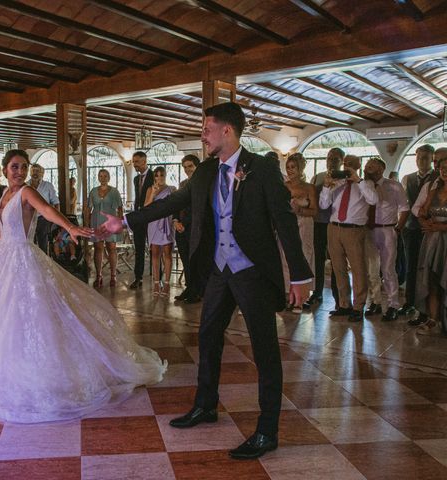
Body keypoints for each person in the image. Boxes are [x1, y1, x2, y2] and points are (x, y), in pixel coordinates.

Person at [100, 102, 311, 460]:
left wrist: (301, 274)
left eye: (207, 129)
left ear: (227, 131)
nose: (202, 135)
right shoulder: (205, 173)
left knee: (265, 349)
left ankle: (267, 430)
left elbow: (284, 221)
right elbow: (172, 203)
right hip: (218, 270)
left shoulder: (261, 169)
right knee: (208, 336)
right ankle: (206, 405)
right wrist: (127, 222)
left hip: (251, 272)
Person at [0, 149, 166, 423]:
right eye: (15, 167)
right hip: (3, 260)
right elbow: (2, 229)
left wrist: (70, 227)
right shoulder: (3, 195)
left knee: (33, 317)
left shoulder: (26, 192)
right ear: (4, 168)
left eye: (24, 167)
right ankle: (9, 373)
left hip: (23, 257)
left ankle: (44, 375)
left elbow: (47, 210)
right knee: (4, 319)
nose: (20, 171)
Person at [320, 154, 378, 322]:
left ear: (358, 166)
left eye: (351, 164)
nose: (347, 167)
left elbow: (373, 200)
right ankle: (344, 304)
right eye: (345, 163)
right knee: (338, 268)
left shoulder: (366, 184)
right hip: (334, 228)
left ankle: (358, 306)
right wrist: (326, 186)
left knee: (358, 269)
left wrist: (357, 180)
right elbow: (324, 205)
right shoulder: (337, 183)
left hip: (354, 230)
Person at [362, 157, 409, 321]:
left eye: (372, 166)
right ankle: (375, 301)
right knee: (371, 270)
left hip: (387, 230)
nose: (367, 169)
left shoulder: (394, 186)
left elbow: (404, 208)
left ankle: (393, 305)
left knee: (388, 269)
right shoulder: (364, 185)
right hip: (369, 230)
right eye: (367, 166)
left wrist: (398, 228)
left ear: (381, 169)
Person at [400, 144, 436, 317]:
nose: (421, 160)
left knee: (427, 267)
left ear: (431, 159)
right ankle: (409, 302)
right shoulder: (407, 178)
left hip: (430, 229)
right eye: (419, 157)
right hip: (411, 228)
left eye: (425, 157)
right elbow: (403, 204)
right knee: (410, 266)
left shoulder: (437, 178)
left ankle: (427, 307)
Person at [304, 148, 343, 310]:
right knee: (318, 259)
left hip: (335, 224)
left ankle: (338, 295)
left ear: (341, 161)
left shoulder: (344, 179)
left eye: (335, 158)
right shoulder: (318, 177)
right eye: (329, 158)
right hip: (319, 223)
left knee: (336, 260)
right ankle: (317, 291)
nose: (331, 161)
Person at [415, 155, 447, 332]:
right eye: (442, 168)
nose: (445, 171)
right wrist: (424, 222)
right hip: (433, 241)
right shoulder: (433, 191)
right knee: (433, 279)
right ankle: (433, 319)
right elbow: (422, 212)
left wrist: (441, 226)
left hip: (445, 237)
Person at [283, 153, 317, 312]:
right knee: (285, 257)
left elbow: (315, 211)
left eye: (293, 168)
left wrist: (300, 210)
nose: (290, 171)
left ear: (300, 169)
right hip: (287, 224)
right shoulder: (283, 185)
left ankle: (301, 298)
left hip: (304, 224)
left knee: (304, 255)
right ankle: (288, 294)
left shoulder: (308, 187)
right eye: (288, 167)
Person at [85, 169, 123, 288]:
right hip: (96, 222)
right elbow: (88, 209)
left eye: (105, 175)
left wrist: (120, 223)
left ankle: (113, 275)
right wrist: (86, 224)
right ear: (98, 177)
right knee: (98, 247)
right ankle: (99, 276)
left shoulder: (115, 192)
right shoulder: (93, 191)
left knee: (111, 247)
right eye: (100, 176)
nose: (103, 178)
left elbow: (120, 209)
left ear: (108, 177)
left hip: (110, 222)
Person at [174, 154, 201, 304]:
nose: (187, 170)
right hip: (180, 228)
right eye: (184, 167)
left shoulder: (203, 184)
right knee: (185, 260)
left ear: (197, 166)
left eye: (190, 166)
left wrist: (186, 224)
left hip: (194, 228)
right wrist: (175, 220)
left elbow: (199, 209)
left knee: (194, 261)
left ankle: (196, 291)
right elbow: (177, 204)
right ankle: (189, 287)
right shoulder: (183, 184)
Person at [145, 166, 176, 297]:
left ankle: (167, 283)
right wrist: (153, 194)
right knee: (155, 254)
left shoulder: (172, 189)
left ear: (165, 175)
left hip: (167, 222)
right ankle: (157, 282)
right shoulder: (150, 189)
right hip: (153, 223)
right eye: (156, 176)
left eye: (161, 175)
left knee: (167, 254)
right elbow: (146, 207)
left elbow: (176, 206)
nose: (159, 178)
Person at [129, 151, 154, 289]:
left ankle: (157, 278)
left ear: (144, 161)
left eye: (137, 162)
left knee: (155, 249)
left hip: (152, 217)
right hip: (139, 217)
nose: (134, 165)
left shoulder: (154, 175)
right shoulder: (136, 179)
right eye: (133, 162)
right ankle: (138, 278)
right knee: (139, 249)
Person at [29, 164, 59, 254]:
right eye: (33, 171)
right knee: (30, 244)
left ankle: (44, 265)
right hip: (29, 219)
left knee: (43, 244)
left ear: (42, 173)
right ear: (30, 173)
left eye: (37, 171)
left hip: (43, 218)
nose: (35, 173)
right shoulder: (26, 185)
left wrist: (55, 220)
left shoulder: (47, 186)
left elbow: (56, 202)